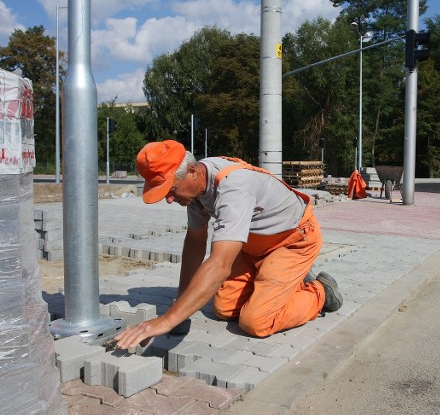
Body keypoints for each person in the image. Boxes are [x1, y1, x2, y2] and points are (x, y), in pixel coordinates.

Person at [115, 140, 342, 349]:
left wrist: (165, 321)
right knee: (224, 308)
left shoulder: (233, 189)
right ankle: (276, 282)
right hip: (252, 246)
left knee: (256, 321)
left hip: (291, 243)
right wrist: (180, 305)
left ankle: (320, 291)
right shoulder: (195, 190)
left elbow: (220, 264)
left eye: (171, 190)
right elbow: (195, 242)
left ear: (192, 172)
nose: (170, 199)